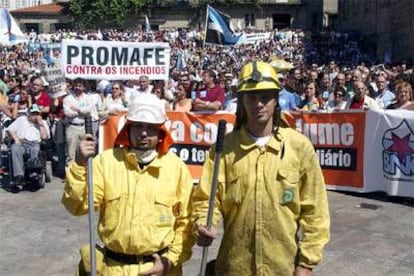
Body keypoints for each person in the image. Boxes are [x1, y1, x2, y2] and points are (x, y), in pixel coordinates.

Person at [192, 61, 330, 275]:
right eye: (251, 97)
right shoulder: (223, 149)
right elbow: (206, 198)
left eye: (265, 96)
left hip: (282, 268)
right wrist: (202, 223)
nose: (258, 104)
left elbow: (316, 211)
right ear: (242, 102)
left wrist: (306, 263)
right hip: (234, 267)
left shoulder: (298, 147)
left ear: (276, 100)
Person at [62, 93, 195, 275]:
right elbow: (77, 206)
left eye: (151, 127)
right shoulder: (106, 162)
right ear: (128, 128)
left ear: (161, 130)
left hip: (160, 269)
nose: (143, 133)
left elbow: (186, 223)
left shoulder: (176, 168)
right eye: (138, 126)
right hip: (112, 268)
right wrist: (80, 165)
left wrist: (170, 260)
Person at [6, 104, 50, 192]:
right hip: (22, 142)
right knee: (15, 148)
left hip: (35, 143)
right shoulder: (21, 119)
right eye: (33, 113)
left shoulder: (42, 123)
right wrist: (16, 139)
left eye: (37, 113)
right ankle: (19, 177)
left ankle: (33, 174)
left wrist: (40, 124)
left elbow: (45, 137)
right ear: (28, 113)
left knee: (36, 149)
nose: (35, 116)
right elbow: (10, 130)